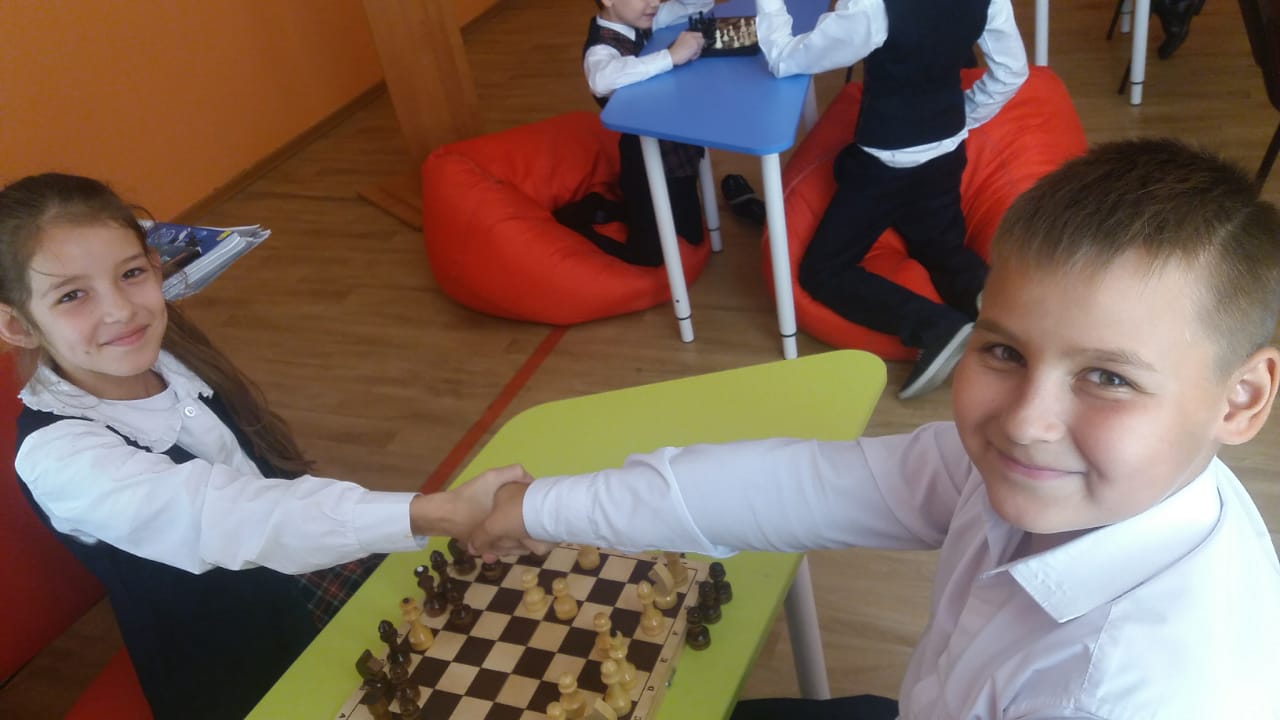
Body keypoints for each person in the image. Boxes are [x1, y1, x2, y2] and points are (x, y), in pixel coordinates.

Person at [465, 139, 1280, 718]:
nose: (1026, 423)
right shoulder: (1051, 474)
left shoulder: (1124, 694)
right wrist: (536, 506)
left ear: (1242, 399)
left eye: (1109, 378)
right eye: (1002, 349)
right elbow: (800, 488)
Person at [0, 174, 520, 720]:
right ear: (17, 324)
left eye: (131, 273)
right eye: (72, 295)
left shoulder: (170, 353)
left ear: (155, 266)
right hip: (236, 657)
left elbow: (268, 484)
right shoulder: (61, 459)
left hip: (300, 567)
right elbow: (231, 517)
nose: (121, 310)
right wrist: (434, 511)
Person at [753, 0, 1029, 399]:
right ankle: (1004, 313)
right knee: (941, 248)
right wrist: (960, 116)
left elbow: (783, 59)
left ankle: (935, 327)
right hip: (947, 153)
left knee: (822, 272)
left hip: (884, 166)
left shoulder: (872, 8)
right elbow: (1011, 71)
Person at [553, 0, 712, 266]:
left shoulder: (644, 17)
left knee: (691, 234)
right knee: (649, 257)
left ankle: (614, 208)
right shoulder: (601, 49)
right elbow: (602, 80)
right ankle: (579, 226)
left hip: (676, 148)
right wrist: (670, 56)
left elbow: (700, 6)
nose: (655, 3)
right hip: (643, 157)